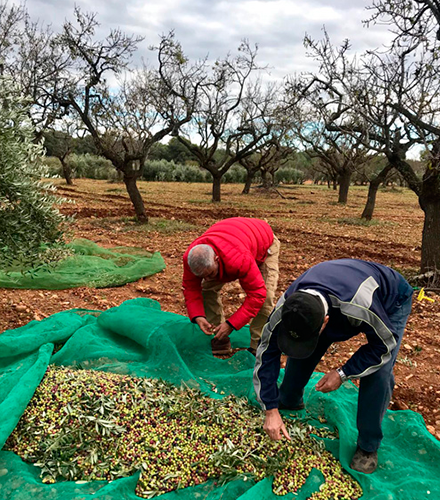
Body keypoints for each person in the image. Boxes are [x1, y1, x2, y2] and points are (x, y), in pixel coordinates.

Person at [253, 258, 413, 474]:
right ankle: (289, 399)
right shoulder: (288, 308)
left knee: (378, 372)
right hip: (338, 286)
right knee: (301, 351)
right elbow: (266, 352)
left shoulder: (359, 305)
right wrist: (270, 409)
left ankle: (368, 445)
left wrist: (343, 373)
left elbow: (383, 347)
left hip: (390, 300)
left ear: (326, 322)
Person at [182, 217, 280, 355]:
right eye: (203, 276)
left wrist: (231, 324)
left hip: (264, 243)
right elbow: (191, 288)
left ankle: (257, 345)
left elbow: (257, 294)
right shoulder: (191, 258)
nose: (207, 279)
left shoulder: (239, 259)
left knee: (265, 297)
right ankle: (218, 336)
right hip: (236, 237)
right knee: (207, 290)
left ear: (216, 259)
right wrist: (198, 316)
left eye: (210, 274)